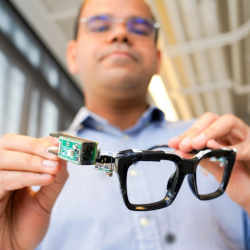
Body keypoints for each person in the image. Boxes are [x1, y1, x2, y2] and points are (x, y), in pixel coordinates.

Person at [0, 0, 250, 249]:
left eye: (140, 28)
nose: (120, 34)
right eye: (99, 26)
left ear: (158, 59)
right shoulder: (30, 174)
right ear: (73, 56)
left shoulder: (221, 152)